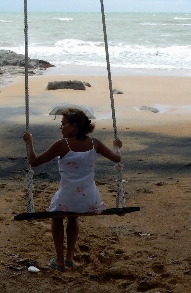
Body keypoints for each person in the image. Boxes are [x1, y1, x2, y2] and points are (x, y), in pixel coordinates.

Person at [22, 107, 122, 271]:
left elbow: (34, 162)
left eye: (63, 124)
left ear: (74, 126)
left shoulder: (62, 144)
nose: (61, 128)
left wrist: (29, 142)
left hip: (67, 199)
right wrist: (117, 146)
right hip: (90, 201)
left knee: (57, 216)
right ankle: (70, 257)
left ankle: (60, 260)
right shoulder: (94, 143)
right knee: (73, 216)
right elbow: (117, 158)